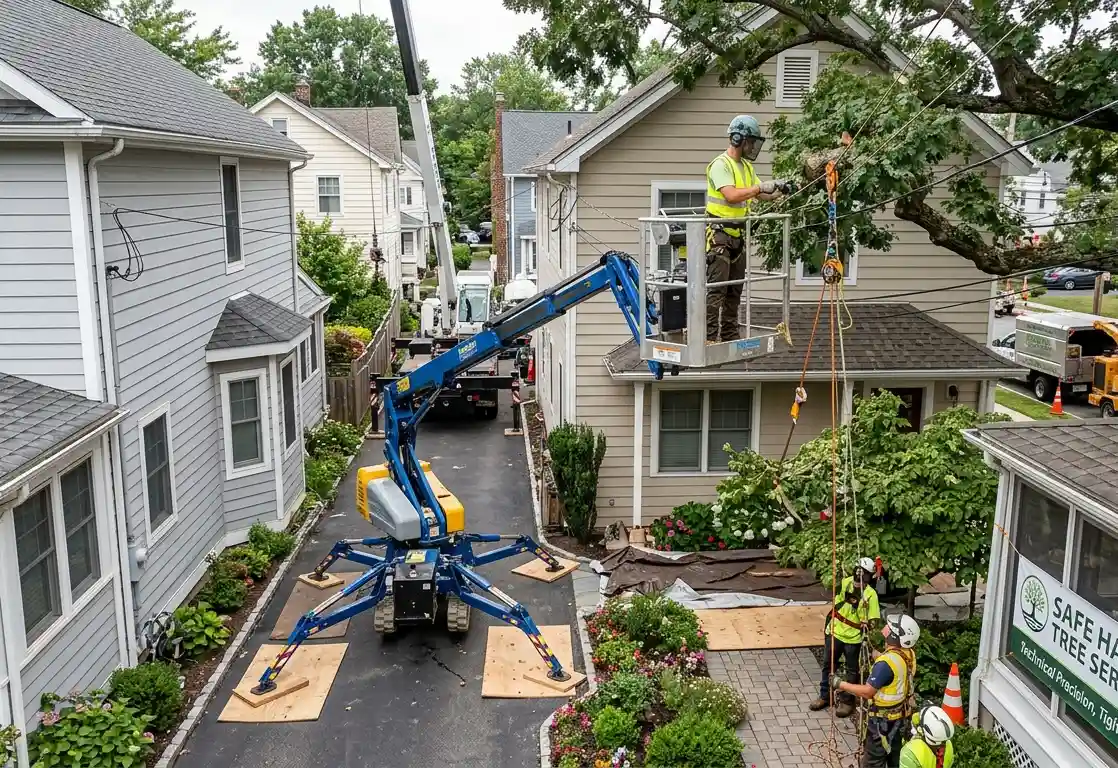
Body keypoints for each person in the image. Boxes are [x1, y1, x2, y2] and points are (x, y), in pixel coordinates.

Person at [704, 115, 792, 342]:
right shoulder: (720, 165)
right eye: (750, 141)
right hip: (719, 235)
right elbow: (732, 195)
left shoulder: (745, 167)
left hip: (737, 236)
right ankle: (710, 338)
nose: (753, 146)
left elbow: (760, 193)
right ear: (737, 139)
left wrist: (779, 190)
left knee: (734, 292)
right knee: (717, 291)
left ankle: (730, 335)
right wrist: (758, 188)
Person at [831, 613, 921, 768]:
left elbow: (867, 692)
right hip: (899, 720)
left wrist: (840, 684)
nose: (885, 629)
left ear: (894, 635)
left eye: (889, 627)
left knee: (874, 762)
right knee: (894, 759)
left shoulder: (885, 665)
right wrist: (877, 655)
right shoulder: (908, 654)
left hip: (882, 724)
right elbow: (896, 665)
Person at [810, 557, 881, 718]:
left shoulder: (871, 595)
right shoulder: (845, 583)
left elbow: (874, 621)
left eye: (863, 575)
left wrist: (866, 621)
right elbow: (838, 602)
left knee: (852, 671)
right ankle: (825, 695)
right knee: (828, 665)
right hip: (835, 631)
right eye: (857, 572)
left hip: (853, 637)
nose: (858, 577)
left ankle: (847, 701)